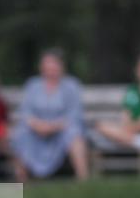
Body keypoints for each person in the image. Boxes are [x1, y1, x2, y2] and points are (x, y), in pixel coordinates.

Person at [11, 48, 89, 181]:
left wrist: (53, 126)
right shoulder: (32, 85)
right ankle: (22, 180)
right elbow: (26, 113)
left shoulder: (71, 85)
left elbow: (74, 115)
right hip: (37, 130)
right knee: (20, 134)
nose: (51, 69)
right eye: (47, 65)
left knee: (74, 133)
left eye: (54, 65)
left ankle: (83, 177)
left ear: (61, 66)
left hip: (61, 130)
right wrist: (38, 125)